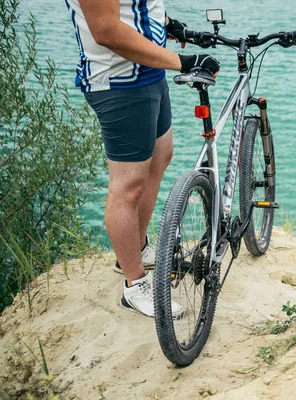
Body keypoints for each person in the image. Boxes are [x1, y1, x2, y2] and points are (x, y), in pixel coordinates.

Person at [65, 0, 219, 317]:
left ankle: (136, 248)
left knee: (161, 155)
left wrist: (169, 23)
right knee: (128, 185)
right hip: (119, 83)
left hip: (149, 75)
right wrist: (183, 61)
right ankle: (134, 285)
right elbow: (107, 29)